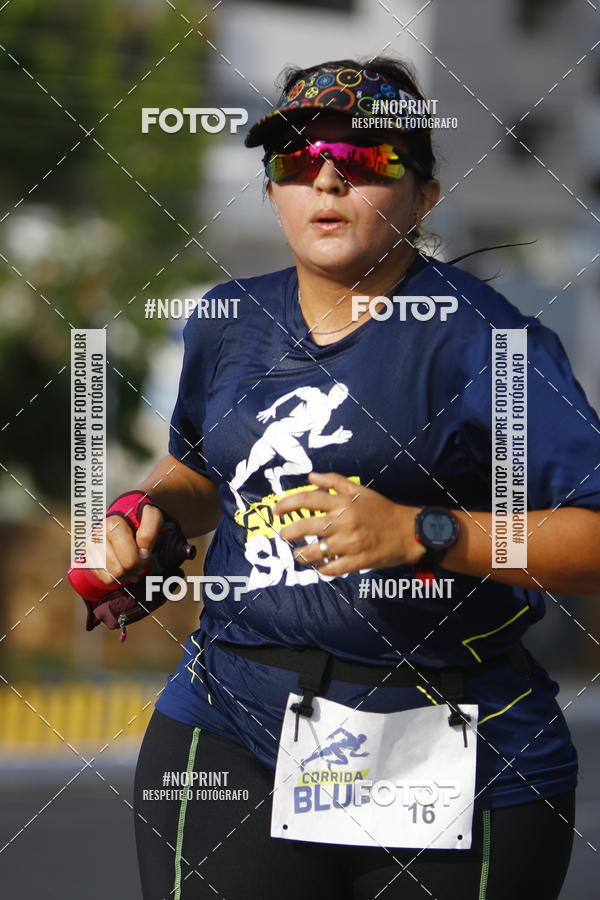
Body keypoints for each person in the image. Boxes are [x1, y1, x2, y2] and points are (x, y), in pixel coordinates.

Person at [94, 57, 600, 898]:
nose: (327, 176)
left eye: (367, 158)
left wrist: (423, 533)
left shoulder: (489, 345)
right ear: (271, 192)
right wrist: (141, 514)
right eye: (295, 159)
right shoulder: (226, 323)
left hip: (455, 743)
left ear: (424, 196)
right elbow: (201, 471)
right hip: (234, 724)